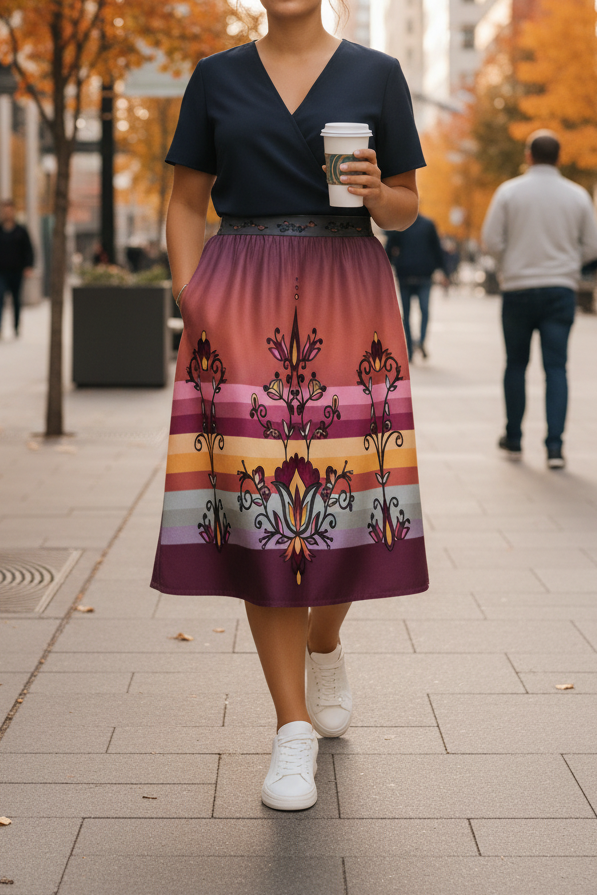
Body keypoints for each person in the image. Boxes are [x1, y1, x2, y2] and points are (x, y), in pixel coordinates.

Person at [151, 0, 429, 812]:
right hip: (238, 297)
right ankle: (291, 726)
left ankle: (325, 639)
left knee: (350, 498)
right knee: (256, 505)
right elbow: (184, 201)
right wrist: (192, 297)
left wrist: (377, 193)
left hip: (350, 290)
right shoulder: (215, 77)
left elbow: (407, 205)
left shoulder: (378, 74)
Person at [482, 130, 597, 469]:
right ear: (559, 157)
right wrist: (568, 264)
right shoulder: (577, 195)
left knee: (516, 365)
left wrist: (509, 263)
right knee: (556, 367)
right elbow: (592, 245)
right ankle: (555, 447)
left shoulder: (509, 192)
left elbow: (491, 239)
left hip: (518, 288)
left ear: (528, 155)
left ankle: (514, 438)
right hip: (560, 289)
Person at [385, 214, 446, 360]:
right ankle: (421, 341)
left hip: (405, 274)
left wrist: (386, 267)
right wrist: (443, 270)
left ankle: (411, 348)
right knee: (424, 310)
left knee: (407, 314)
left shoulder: (400, 224)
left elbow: (389, 249)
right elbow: (437, 249)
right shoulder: (428, 224)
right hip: (423, 274)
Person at [0, 199, 34, 338]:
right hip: (2, 272)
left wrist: (28, 266)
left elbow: (29, 250)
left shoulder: (21, 231)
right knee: (0, 297)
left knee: (16, 299)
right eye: (4, 210)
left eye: (9, 210)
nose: (7, 213)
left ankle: (16, 327)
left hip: (17, 271)